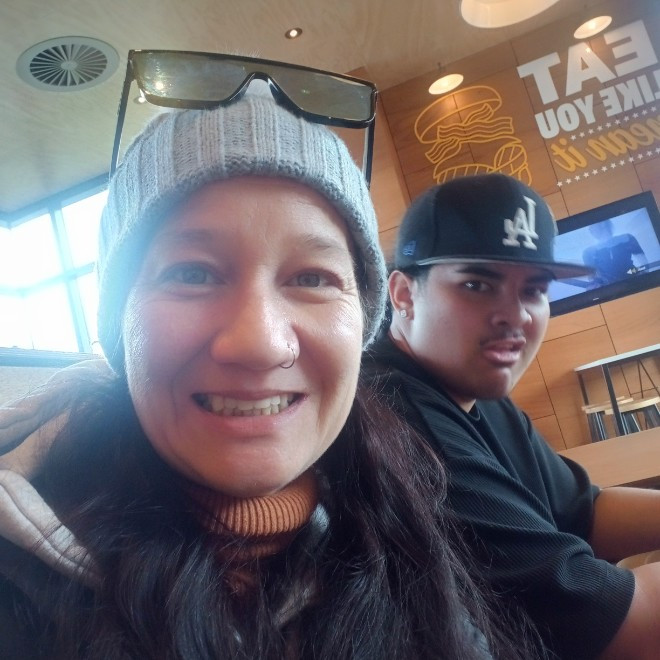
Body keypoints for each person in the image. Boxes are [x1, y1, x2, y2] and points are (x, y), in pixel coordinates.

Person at [0, 54, 538, 659]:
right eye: (191, 273)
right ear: (119, 324)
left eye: (311, 278)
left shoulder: (404, 528)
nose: (259, 342)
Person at [362, 173, 660, 660]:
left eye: (534, 289)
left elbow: (584, 511)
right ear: (404, 294)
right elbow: (624, 630)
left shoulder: (471, 382)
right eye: (478, 284)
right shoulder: (394, 419)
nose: (516, 315)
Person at [582, 219, 648, 286]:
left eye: (591, 226)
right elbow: (592, 279)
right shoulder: (588, 252)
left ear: (602, 224)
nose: (590, 230)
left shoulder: (627, 238)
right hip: (611, 290)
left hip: (634, 284)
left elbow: (644, 265)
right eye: (589, 228)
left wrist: (632, 273)